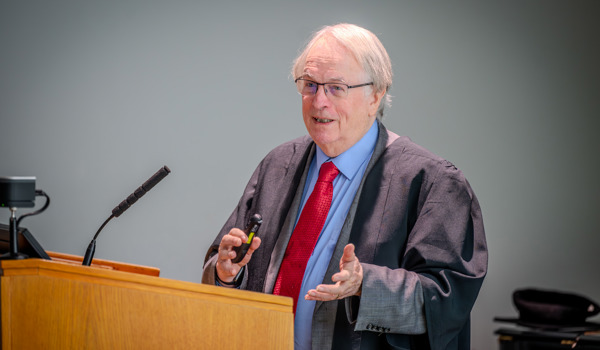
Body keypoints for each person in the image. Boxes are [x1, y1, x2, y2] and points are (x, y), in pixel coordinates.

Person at [202, 23, 487, 350]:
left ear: (375, 94)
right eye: (310, 85)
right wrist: (227, 274)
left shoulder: (434, 182)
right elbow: (222, 265)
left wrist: (367, 284)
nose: (319, 101)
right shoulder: (278, 165)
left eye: (336, 87)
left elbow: (447, 299)